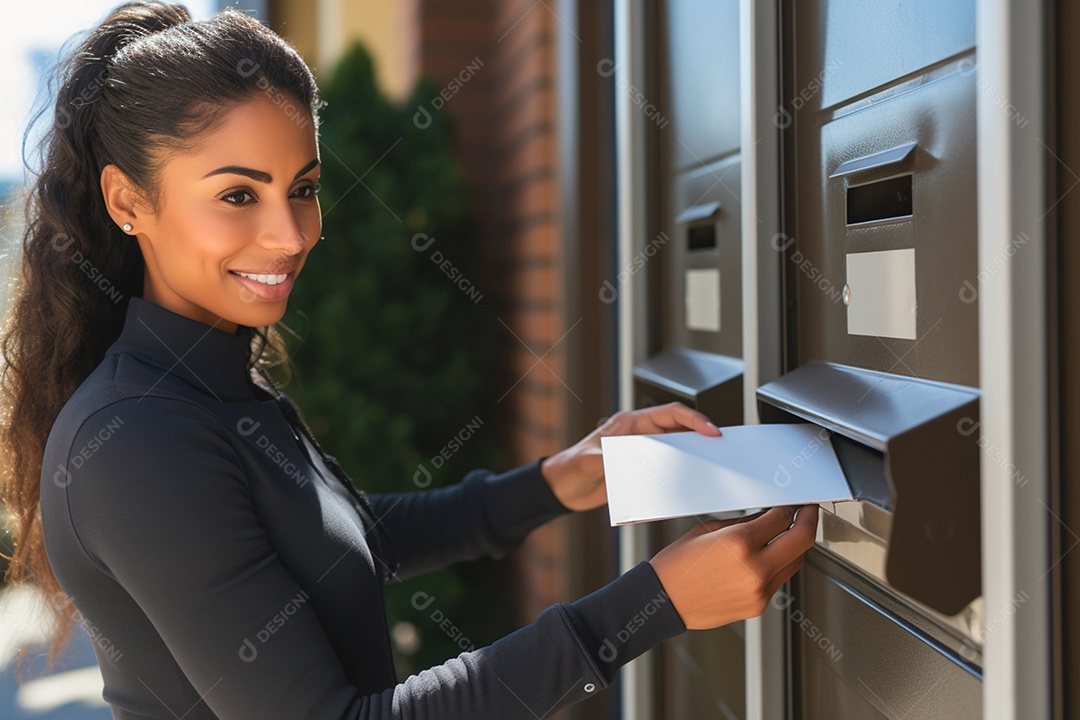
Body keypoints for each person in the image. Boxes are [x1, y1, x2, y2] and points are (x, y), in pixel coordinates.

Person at [0, 2, 819, 718]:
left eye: (305, 187)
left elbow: (347, 541)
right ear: (127, 201)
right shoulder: (138, 442)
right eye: (238, 195)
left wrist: (564, 478)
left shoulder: (215, 385)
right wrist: (651, 604)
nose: (290, 235)